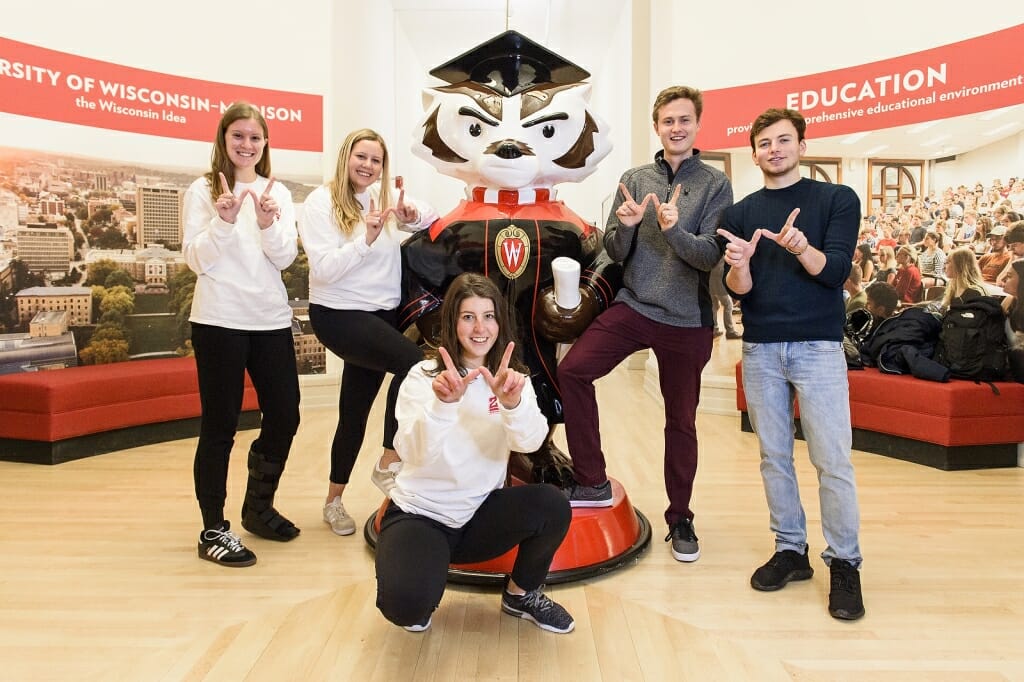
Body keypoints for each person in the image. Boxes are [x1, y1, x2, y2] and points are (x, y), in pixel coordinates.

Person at [558, 85, 733, 563]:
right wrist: (629, 226)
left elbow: (709, 257)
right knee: (573, 370)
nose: (676, 128)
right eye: (667, 121)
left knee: (680, 421)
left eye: (684, 120)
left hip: (687, 319)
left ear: (697, 125)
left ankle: (680, 516)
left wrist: (675, 229)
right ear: (656, 126)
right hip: (634, 306)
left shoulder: (714, 185)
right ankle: (591, 479)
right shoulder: (635, 177)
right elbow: (614, 252)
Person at [717, 107, 865, 621]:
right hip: (760, 347)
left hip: (819, 347)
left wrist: (803, 248)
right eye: (764, 143)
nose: (774, 149)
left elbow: (836, 273)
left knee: (832, 460)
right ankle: (790, 550)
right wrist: (737, 266)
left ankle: (845, 562)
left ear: (802, 145)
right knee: (773, 456)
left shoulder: (836, 199)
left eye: (784, 140)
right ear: (754, 152)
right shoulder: (740, 213)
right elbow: (739, 293)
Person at [375, 273, 574, 634]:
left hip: (479, 513)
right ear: (452, 322)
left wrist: (512, 404)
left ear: (500, 322)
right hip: (422, 515)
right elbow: (413, 452)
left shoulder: (513, 380)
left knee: (553, 504)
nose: (480, 327)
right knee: (407, 610)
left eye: (489, 315)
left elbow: (530, 443)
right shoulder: (422, 377)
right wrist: (444, 405)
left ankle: (521, 595)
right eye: (468, 316)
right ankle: (424, 573)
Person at [299, 129, 439, 536]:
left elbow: (432, 216)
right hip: (339, 314)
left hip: (381, 317)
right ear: (346, 157)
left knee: (354, 409)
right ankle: (388, 463)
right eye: (361, 157)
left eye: (376, 160)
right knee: (415, 366)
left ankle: (333, 501)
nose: (368, 166)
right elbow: (323, 269)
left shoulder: (382, 200)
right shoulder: (320, 202)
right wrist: (366, 239)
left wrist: (412, 214)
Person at [183, 102, 301, 567]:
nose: (247, 145)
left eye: (255, 137)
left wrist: (269, 224)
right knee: (220, 426)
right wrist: (225, 219)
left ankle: (257, 507)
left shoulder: (278, 192)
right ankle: (213, 528)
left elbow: (286, 258)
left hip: (268, 319)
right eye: (238, 136)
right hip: (217, 320)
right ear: (223, 139)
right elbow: (198, 260)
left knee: (286, 416)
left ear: (265, 143)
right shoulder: (203, 190)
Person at [710, 256, 741, 339]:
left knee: (714, 307)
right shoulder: (722, 255)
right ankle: (730, 331)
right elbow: (720, 270)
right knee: (728, 305)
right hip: (719, 285)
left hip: (710, 285)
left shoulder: (712, 252)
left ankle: (714, 330)